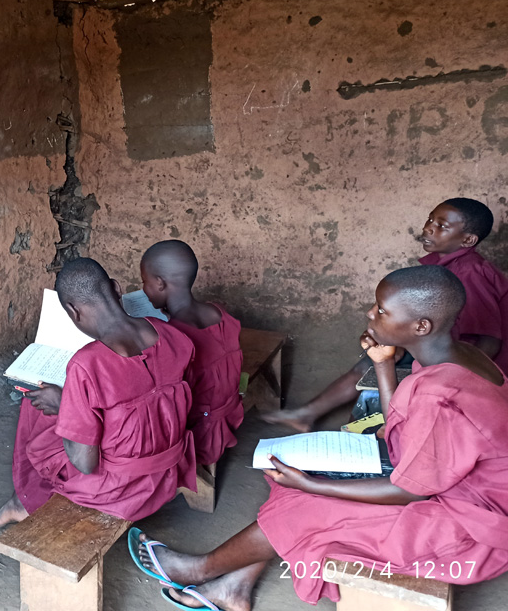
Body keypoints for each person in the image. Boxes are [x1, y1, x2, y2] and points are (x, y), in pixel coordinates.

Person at [133, 265, 508, 609]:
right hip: (450, 488)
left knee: (306, 501)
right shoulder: (455, 355)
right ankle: (233, 587)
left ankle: (199, 570)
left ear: (421, 326)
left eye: (381, 310)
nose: (370, 314)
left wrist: (314, 486)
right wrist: (383, 364)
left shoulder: (441, 397)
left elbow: (410, 490)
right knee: (293, 480)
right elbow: (403, 424)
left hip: (471, 528)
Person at [0, 257, 197, 528]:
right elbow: (158, 402)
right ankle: (21, 500)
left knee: (35, 410)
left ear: (72, 311)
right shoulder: (172, 335)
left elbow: (85, 464)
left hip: (118, 490)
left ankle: (24, 499)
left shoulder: (87, 364)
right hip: (168, 468)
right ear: (116, 289)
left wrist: (65, 407)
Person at [265, 197, 508, 432]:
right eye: (430, 220)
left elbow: (489, 341)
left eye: (441, 226)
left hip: (460, 364)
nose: (428, 228)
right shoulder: (443, 264)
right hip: (437, 348)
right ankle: (307, 415)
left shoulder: (470, 273)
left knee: (375, 373)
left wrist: (453, 379)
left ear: (468, 240)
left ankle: (343, 430)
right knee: (372, 360)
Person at [141, 240, 244, 467]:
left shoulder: (174, 336)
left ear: (159, 283)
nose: (144, 291)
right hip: (229, 413)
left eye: (145, 283)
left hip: (202, 434)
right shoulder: (219, 312)